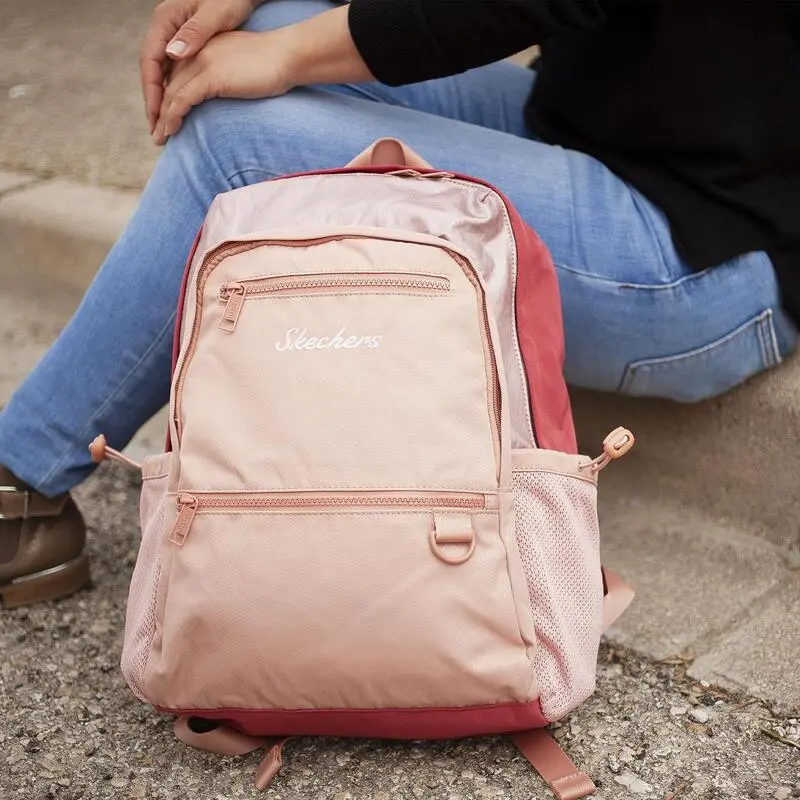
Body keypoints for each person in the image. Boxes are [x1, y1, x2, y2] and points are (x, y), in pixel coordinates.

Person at [1, 0, 798, 607]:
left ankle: (23, 485)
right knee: (276, 20)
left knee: (238, 141)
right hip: (594, 126)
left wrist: (281, 58)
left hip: (709, 247)